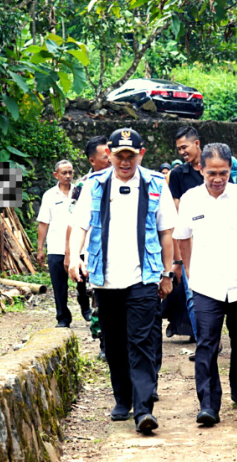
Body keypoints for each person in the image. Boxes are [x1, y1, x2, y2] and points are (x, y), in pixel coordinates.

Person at [68, 128, 176, 434]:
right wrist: (74, 257)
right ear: (109, 155)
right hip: (105, 278)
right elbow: (79, 225)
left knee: (141, 342)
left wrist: (167, 273)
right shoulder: (94, 184)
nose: (125, 161)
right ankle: (122, 399)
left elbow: (166, 233)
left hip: (144, 277)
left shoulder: (155, 184)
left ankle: (143, 409)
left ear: (141, 154)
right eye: (119, 156)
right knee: (114, 342)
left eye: (131, 155)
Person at [174, 143, 237, 426]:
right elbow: (182, 237)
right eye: (212, 173)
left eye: (223, 173)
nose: (217, 179)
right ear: (201, 169)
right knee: (206, 343)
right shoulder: (191, 199)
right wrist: (189, 271)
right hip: (206, 283)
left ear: (230, 169)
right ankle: (208, 405)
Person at [65, 136, 111, 360]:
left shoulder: (124, 179)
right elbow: (74, 223)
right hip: (91, 251)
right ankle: (104, 342)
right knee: (97, 298)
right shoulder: (83, 186)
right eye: (105, 156)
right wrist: (72, 255)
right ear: (92, 160)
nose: (110, 159)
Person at [38, 160, 90, 327]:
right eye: (64, 173)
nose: (68, 176)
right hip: (56, 247)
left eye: (70, 172)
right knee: (59, 285)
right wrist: (40, 248)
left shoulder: (81, 192)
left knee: (82, 282)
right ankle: (63, 317)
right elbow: (44, 222)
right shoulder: (49, 195)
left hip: (78, 247)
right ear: (56, 175)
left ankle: (85, 305)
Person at [167, 126, 204, 354]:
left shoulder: (215, 170)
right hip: (190, 244)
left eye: (184, 147)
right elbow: (176, 218)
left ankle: (211, 337)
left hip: (216, 243)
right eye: (179, 149)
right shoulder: (178, 175)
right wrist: (178, 260)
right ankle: (205, 342)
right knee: (192, 296)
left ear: (196, 143)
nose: (182, 152)